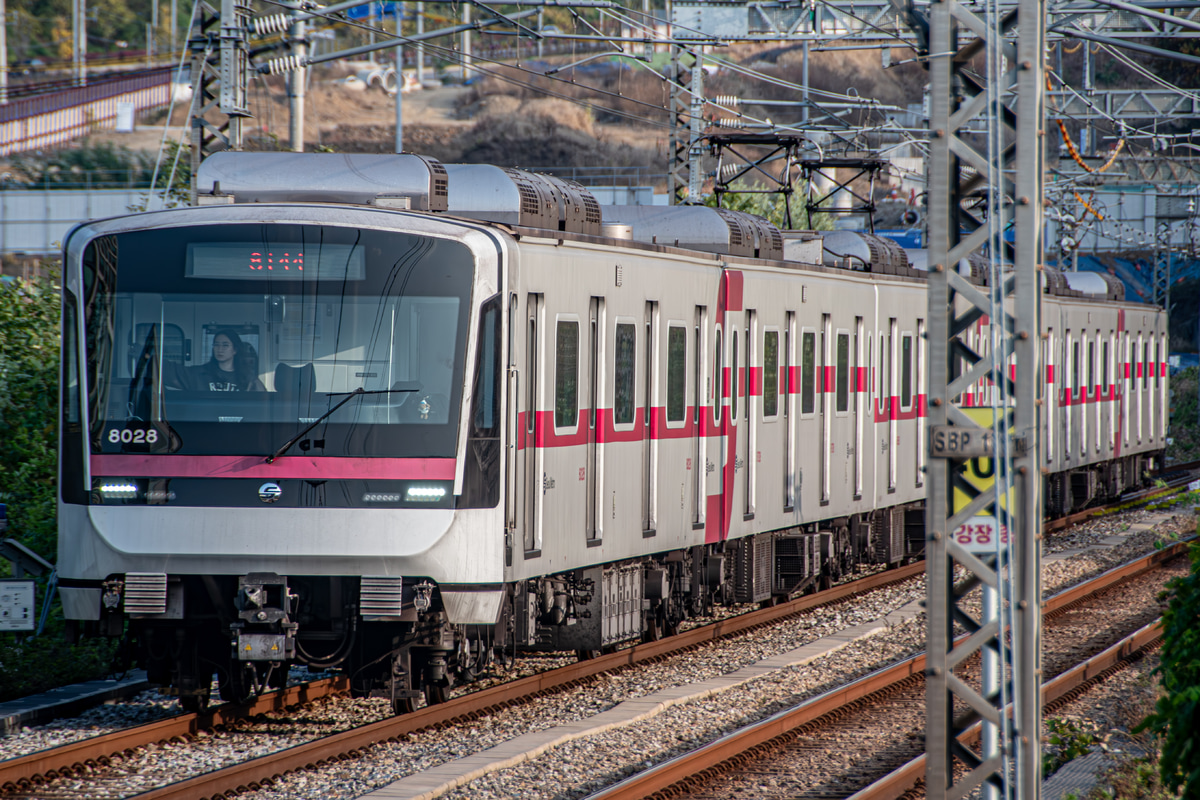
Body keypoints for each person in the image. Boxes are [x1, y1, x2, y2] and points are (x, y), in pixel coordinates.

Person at [189, 329, 266, 392]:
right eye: (216, 345)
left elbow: (262, 402)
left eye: (225, 345)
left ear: (235, 350)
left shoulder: (248, 377)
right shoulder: (200, 373)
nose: (220, 349)